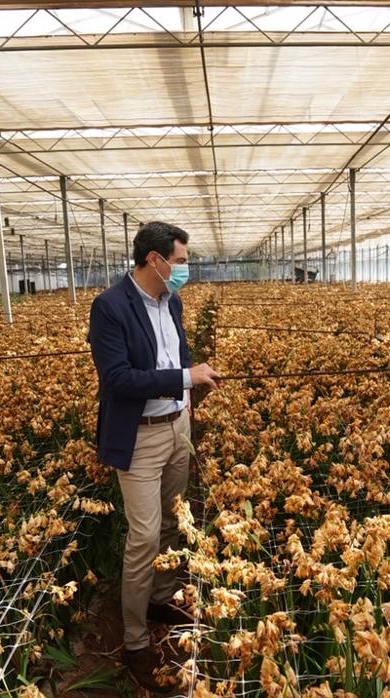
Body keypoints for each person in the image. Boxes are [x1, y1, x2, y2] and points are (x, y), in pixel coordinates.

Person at [87, 221, 221, 693]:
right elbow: (118, 379)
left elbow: (175, 351)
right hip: (140, 437)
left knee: (170, 520)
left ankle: (162, 596)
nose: (185, 269)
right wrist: (185, 377)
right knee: (143, 537)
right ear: (154, 260)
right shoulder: (110, 307)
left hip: (175, 427)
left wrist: (184, 396)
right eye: (180, 261)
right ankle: (135, 640)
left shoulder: (172, 299)